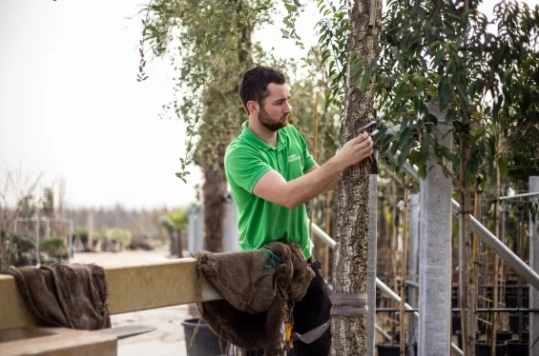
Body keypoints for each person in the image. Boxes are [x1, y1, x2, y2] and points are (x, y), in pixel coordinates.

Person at [223, 66, 373, 356]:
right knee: (264, 349)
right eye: (279, 103)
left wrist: (354, 156)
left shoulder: (291, 135)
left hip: (302, 262)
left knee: (318, 344)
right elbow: (289, 196)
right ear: (253, 107)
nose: (288, 109)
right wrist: (339, 160)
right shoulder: (241, 153)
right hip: (261, 268)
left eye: (287, 99)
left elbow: (320, 179)